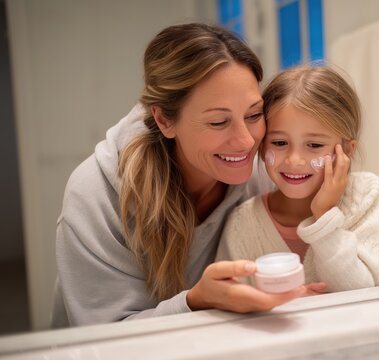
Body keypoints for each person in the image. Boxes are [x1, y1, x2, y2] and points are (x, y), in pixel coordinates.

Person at [52, 23, 311, 328]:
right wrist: (195, 301)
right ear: (164, 119)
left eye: (254, 115)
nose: (245, 141)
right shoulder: (95, 196)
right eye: (218, 122)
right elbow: (107, 339)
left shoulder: (262, 168)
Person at [216, 66, 379, 292]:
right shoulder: (242, 223)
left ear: (346, 150)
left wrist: (324, 215)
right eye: (279, 143)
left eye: (315, 145)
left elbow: (363, 292)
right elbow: (229, 303)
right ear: (261, 145)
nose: (295, 160)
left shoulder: (367, 195)